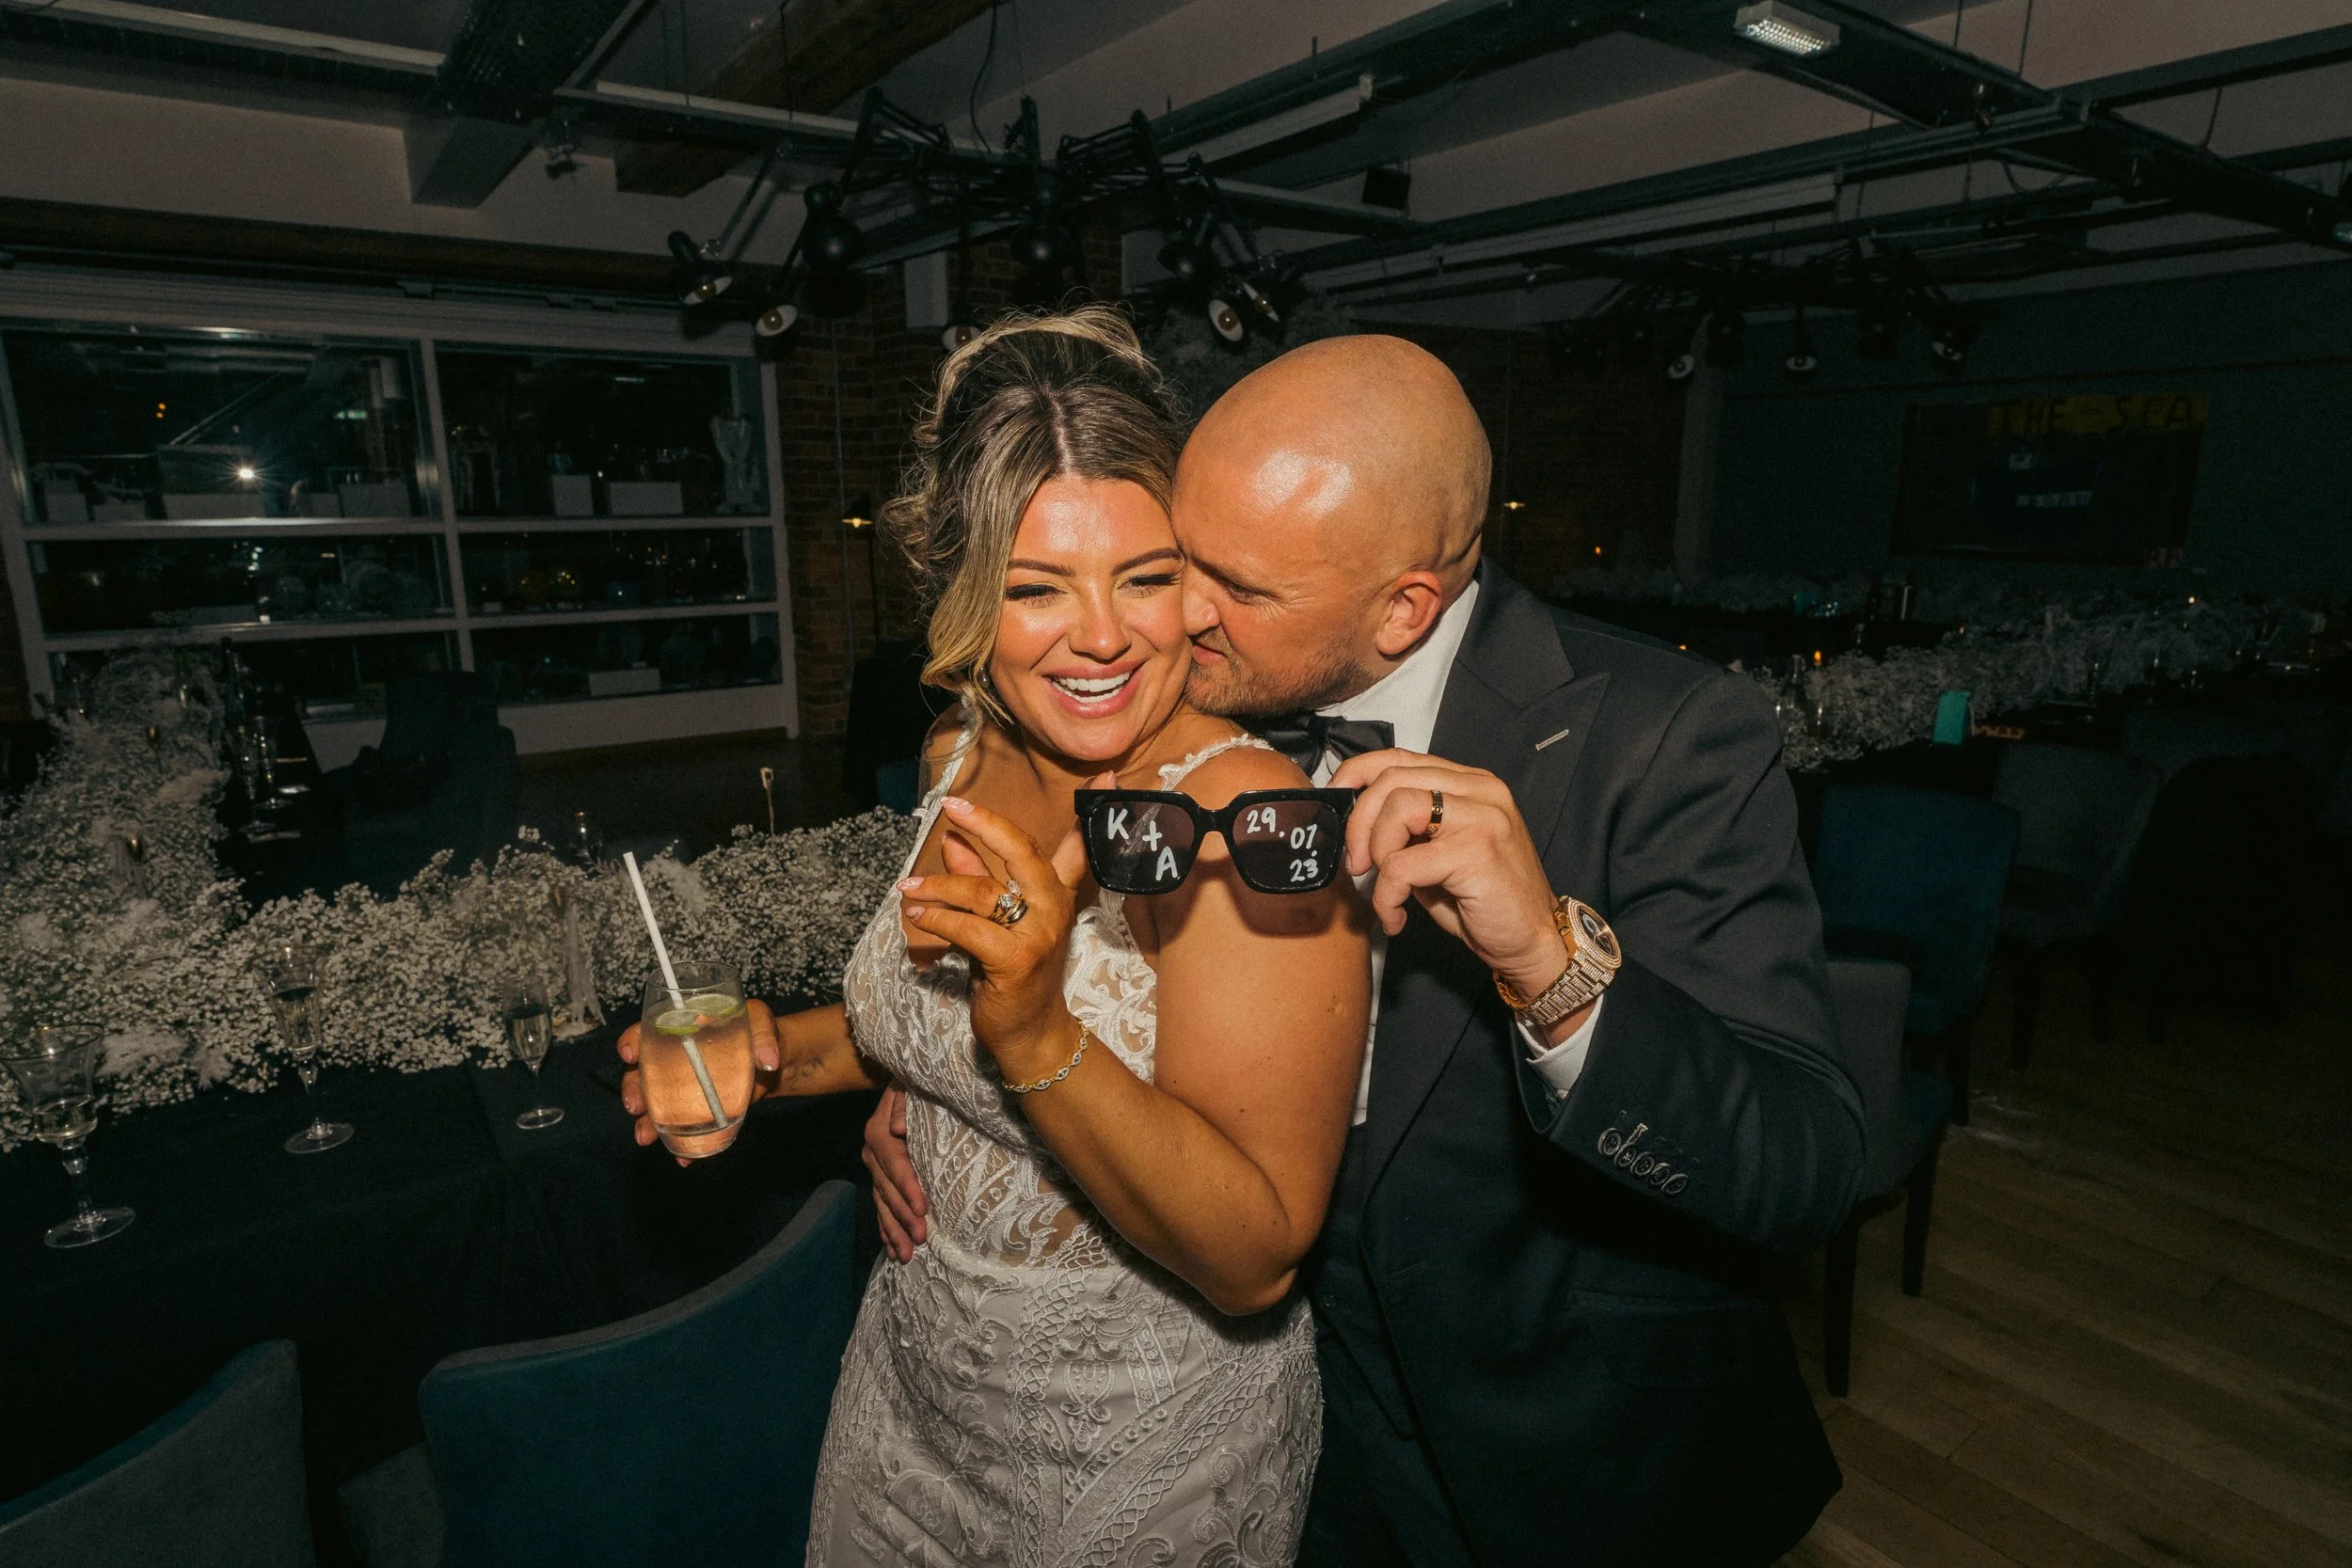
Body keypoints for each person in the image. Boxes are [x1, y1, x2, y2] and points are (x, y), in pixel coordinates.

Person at [867, 334, 1866, 1567]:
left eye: (1222, 582)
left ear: (1403, 604)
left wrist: (1551, 967)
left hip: (1573, 1462)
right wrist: (946, 1097)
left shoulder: (1665, 735)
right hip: (1302, 1439)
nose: (1165, 616)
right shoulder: (1188, 705)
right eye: (1175, 559)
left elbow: (1808, 1160)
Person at [616, 308, 1370, 1566]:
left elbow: (1255, 1258)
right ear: (963, 590)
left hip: (1140, 1453)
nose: (1103, 635)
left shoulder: (1245, 826)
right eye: (1035, 587)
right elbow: (919, 1018)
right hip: (917, 1402)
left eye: (1145, 573)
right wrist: (775, 1055)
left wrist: (1035, 1030)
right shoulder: (960, 752)